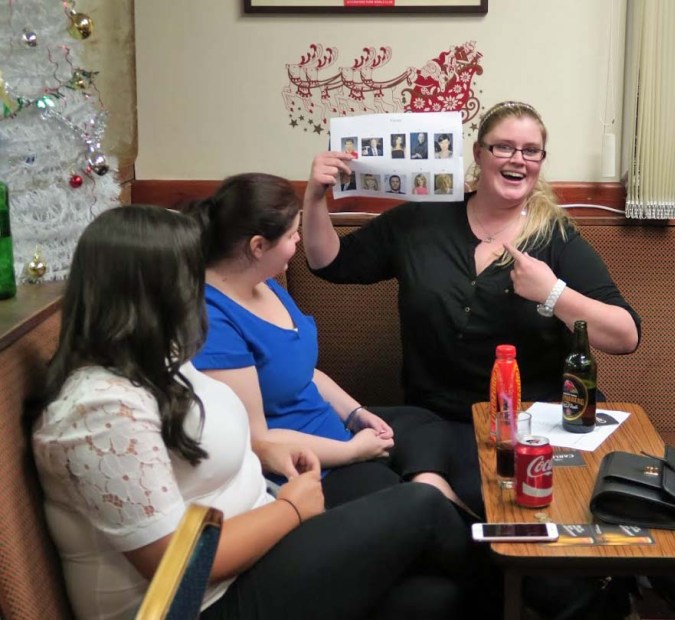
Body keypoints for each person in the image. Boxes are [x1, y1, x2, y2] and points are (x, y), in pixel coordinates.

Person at [31, 205, 489, 620]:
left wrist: (267, 453)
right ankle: (519, 574)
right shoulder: (100, 410)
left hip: (256, 549)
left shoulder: (159, 356)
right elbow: (177, 565)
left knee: (434, 598)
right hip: (197, 602)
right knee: (421, 506)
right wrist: (292, 508)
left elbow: (213, 440)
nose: (203, 287)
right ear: (149, 290)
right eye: (192, 274)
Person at [300, 100, 641, 521]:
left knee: (533, 502)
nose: (518, 159)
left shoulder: (555, 237)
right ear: (478, 154)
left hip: (530, 423)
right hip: (436, 421)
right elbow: (329, 262)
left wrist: (552, 293)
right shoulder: (421, 220)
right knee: (425, 493)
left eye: (531, 151)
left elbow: (625, 335)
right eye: (504, 147)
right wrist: (315, 196)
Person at [184, 174, 467, 511]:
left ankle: (429, 482)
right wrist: (352, 451)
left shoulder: (264, 283)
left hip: (331, 428)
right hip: (307, 467)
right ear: (258, 247)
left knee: (425, 424)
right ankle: (435, 503)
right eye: (292, 235)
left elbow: (306, 373)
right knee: (407, 499)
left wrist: (356, 414)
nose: (299, 241)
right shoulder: (214, 318)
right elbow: (258, 441)